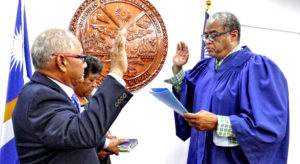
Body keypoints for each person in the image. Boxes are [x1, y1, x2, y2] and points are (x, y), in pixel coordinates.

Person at [165, 12, 289, 164]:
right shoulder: (205, 67)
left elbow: (269, 127)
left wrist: (217, 122)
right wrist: (178, 68)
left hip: (229, 158)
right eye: (205, 36)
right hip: (198, 155)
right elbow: (187, 94)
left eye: (213, 35)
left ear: (233, 34)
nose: (207, 42)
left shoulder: (257, 68)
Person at [12, 28, 132, 164]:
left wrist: (104, 143)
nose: (85, 64)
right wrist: (116, 72)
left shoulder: (51, 92)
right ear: (62, 62)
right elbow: (81, 132)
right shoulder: (39, 96)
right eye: (81, 57)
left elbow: (65, 135)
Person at [73, 55, 119, 164]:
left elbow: (101, 122)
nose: (95, 85)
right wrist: (94, 153)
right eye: (91, 80)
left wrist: (108, 137)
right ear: (79, 77)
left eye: (96, 80)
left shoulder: (91, 98)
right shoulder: (69, 103)